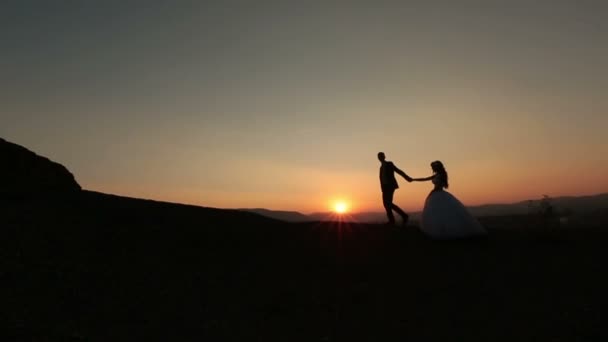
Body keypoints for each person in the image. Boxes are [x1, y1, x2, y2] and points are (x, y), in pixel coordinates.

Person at [412, 160, 486, 239]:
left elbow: (439, 185)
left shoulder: (441, 175)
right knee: (439, 214)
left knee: (440, 213)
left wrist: (432, 192)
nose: (432, 169)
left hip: (437, 193)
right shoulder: (437, 175)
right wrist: (413, 179)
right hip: (436, 193)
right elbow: (425, 179)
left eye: (433, 167)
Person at [377, 152, 412, 226]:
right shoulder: (381, 167)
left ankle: (402, 216)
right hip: (385, 188)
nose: (380, 158)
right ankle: (394, 220)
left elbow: (398, 171)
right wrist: (382, 188)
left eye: (381, 156)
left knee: (388, 203)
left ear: (384, 157)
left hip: (390, 186)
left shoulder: (389, 164)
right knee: (386, 204)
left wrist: (406, 177)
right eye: (379, 156)